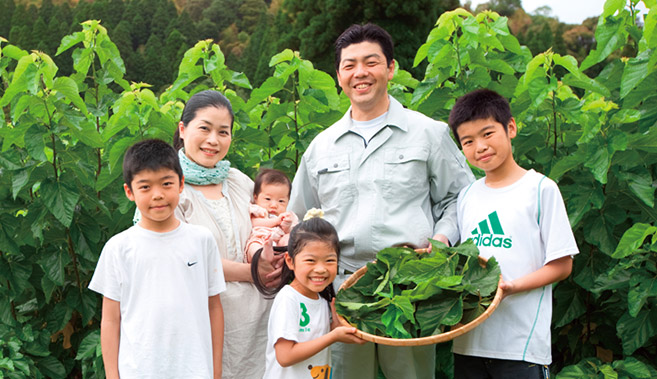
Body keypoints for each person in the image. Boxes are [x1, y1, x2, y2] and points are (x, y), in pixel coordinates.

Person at [288, 23, 475, 379]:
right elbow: (299, 218)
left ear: (391, 68)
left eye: (371, 62)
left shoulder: (429, 133)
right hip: (342, 291)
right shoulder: (321, 147)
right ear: (339, 75)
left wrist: (443, 239)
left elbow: (460, 198)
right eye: (349, 65)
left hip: (411, 287)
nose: (360, 72)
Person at [448, 89, 579, 378]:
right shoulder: (467, 195)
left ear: (511, 128)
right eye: (467, 141)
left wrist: (511, 287)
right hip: (468, 341)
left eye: (487, 134)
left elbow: (562, 264)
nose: (479, 147)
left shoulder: (541, 189)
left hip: (521, 346)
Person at [89, 139, 225, 378]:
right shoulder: (119, 248)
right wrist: (112, 375)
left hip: (194, 370)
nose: (158, 195)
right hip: (140, 370)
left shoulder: (201, 240)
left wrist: (215, 371)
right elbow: (110, 320)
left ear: (181, 184)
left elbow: (214, 308)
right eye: (145, 187)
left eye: (166, 183)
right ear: (129, 192)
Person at [174, 90, 282, 379]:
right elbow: (184, 259)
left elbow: (269, 228)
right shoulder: (171, 189)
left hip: (261, 324)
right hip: (207, 323)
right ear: (183, 130)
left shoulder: (239, 181)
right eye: (204, 129)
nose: (213, 140)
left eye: (224, 132)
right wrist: (252, 272)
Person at [252, 213, 364, 378]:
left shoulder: (321, 298)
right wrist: (333, 336)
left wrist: (340, 329)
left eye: (330, 261)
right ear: (290, 261)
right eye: (311, 261)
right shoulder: (288, 299)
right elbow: (285, 356)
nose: (320, 269)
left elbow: (318, 334)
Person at [245, 169, 299, 262]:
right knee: (253, 245)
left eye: (281, 201)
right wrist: (276, 221)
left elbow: (292, 230)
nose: (274, 205)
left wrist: (287, 226)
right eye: (268, 199)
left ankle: (287, 257)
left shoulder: (287, 215)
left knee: (290, 239)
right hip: (261, 238)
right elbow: (253, 223)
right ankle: (261, 257)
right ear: (256, 197)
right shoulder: (258, 210)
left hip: (279, 243)